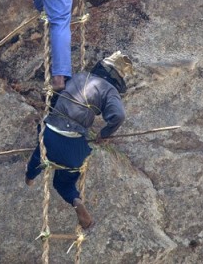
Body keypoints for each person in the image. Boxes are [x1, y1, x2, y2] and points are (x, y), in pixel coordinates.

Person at [24, 51, 133, 229]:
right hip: (75, 147)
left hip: (51, 133)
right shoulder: (110, 91)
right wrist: (104, 134)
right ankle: (77, 203)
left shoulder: (81, 76)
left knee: (40, 152)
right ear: (118, 78)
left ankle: (30, 176)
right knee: (64, 183)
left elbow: (57, 92)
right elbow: (118, 116)